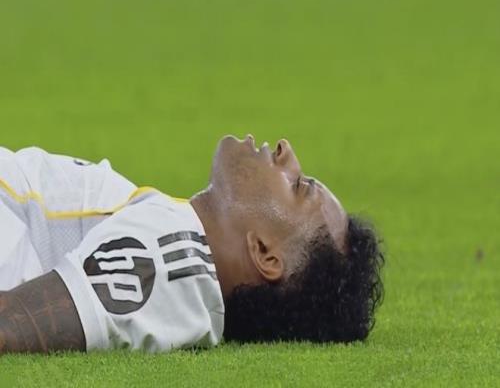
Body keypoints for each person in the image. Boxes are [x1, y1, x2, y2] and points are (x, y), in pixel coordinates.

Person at [0, 135, 384, 354]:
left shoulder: (171, 258)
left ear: (266, 254)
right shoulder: (176, 239)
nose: (286, 152)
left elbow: (9, 323)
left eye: (298, 186)